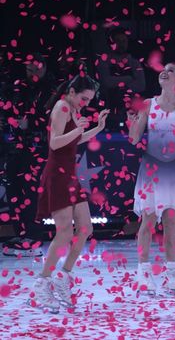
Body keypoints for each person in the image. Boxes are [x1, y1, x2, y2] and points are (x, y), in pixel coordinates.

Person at [28, 75, 109, 313]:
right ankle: (42, 284)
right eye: (83, 98)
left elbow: (74, 141)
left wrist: (97, 128)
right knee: (64, 231)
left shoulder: (72, 108)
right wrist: (79, 129)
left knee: (85, 228)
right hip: (57, 174)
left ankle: (63, 278)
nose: (85, 103)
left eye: (89, 100)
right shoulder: (63, 106)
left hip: (69, 174)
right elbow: (54, 143)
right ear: (72, 91)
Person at [127, 63, 175, 295]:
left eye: (171, 70)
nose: (164, 72)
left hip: (174, 170)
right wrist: (134, 122)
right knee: (147, 221)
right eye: (163, 69)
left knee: (170, 223)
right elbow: (134, 139)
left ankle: (171, 273)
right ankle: (143, 273)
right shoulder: (148, 104)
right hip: (151, 168)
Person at [1, 52, 56, 256]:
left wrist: (31, 123)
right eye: (29, 68)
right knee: (14, 189)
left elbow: (55, 121)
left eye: (36, 67)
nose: (32, 71)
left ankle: (34, 235)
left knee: (30, 192)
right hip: (15, 147)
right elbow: (10, 112)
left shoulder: (51, 90)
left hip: (37, 149)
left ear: (44, 68)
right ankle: (21, 232)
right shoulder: (18, 88)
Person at [97, 27, 145, 130]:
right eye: (118, 41)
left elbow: (141, 85)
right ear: (112, 43)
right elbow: (106, 82)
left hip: (131, 111)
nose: (121, 44)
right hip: (109, 109)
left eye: (124, 41)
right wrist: (128, 79)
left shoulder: (134, 62)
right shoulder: (104, 61)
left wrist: (118, 83)